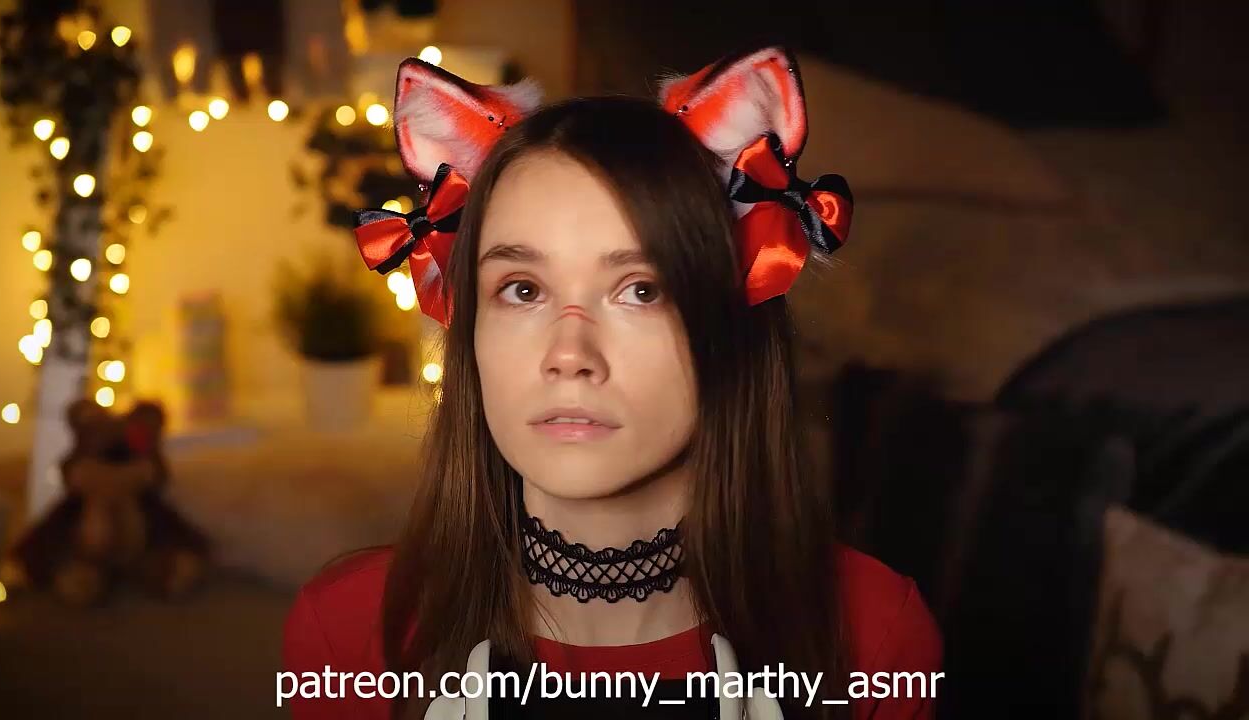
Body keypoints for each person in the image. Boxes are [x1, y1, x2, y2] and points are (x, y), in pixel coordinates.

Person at [283, 46, 942, 720]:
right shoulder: (347, 633)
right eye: (522, 289)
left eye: (641, 290)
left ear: (728, 329)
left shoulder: (873, 635)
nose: (569, 354)